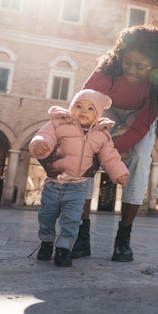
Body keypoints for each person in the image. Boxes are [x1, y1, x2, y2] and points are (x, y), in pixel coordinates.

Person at [69, 24, 158, 262]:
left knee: (142, 156)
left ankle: (123, 238)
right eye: (128, 62)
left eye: (140, 66)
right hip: (106, 107)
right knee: (84, 151)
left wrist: (107, 154)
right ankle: (82, 235)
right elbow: (84, 106)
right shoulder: (107, 69)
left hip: (138, 115)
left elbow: (140, 128)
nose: (131, 70)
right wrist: (89, 150)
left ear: (154, 67)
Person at [29, 89, 129, 267]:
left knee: (72, 221)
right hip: (53, 184)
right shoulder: (59, 123)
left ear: (98, 114)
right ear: (71, 107)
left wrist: (119, 173)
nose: (84, 110)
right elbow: (45, 135)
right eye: (79, 106)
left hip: (77, 187)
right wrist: (41, 145)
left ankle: (63, 249)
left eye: (91, 109)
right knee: (46, 217)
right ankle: (46, 243)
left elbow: (110, 157)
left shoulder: (102, 134)